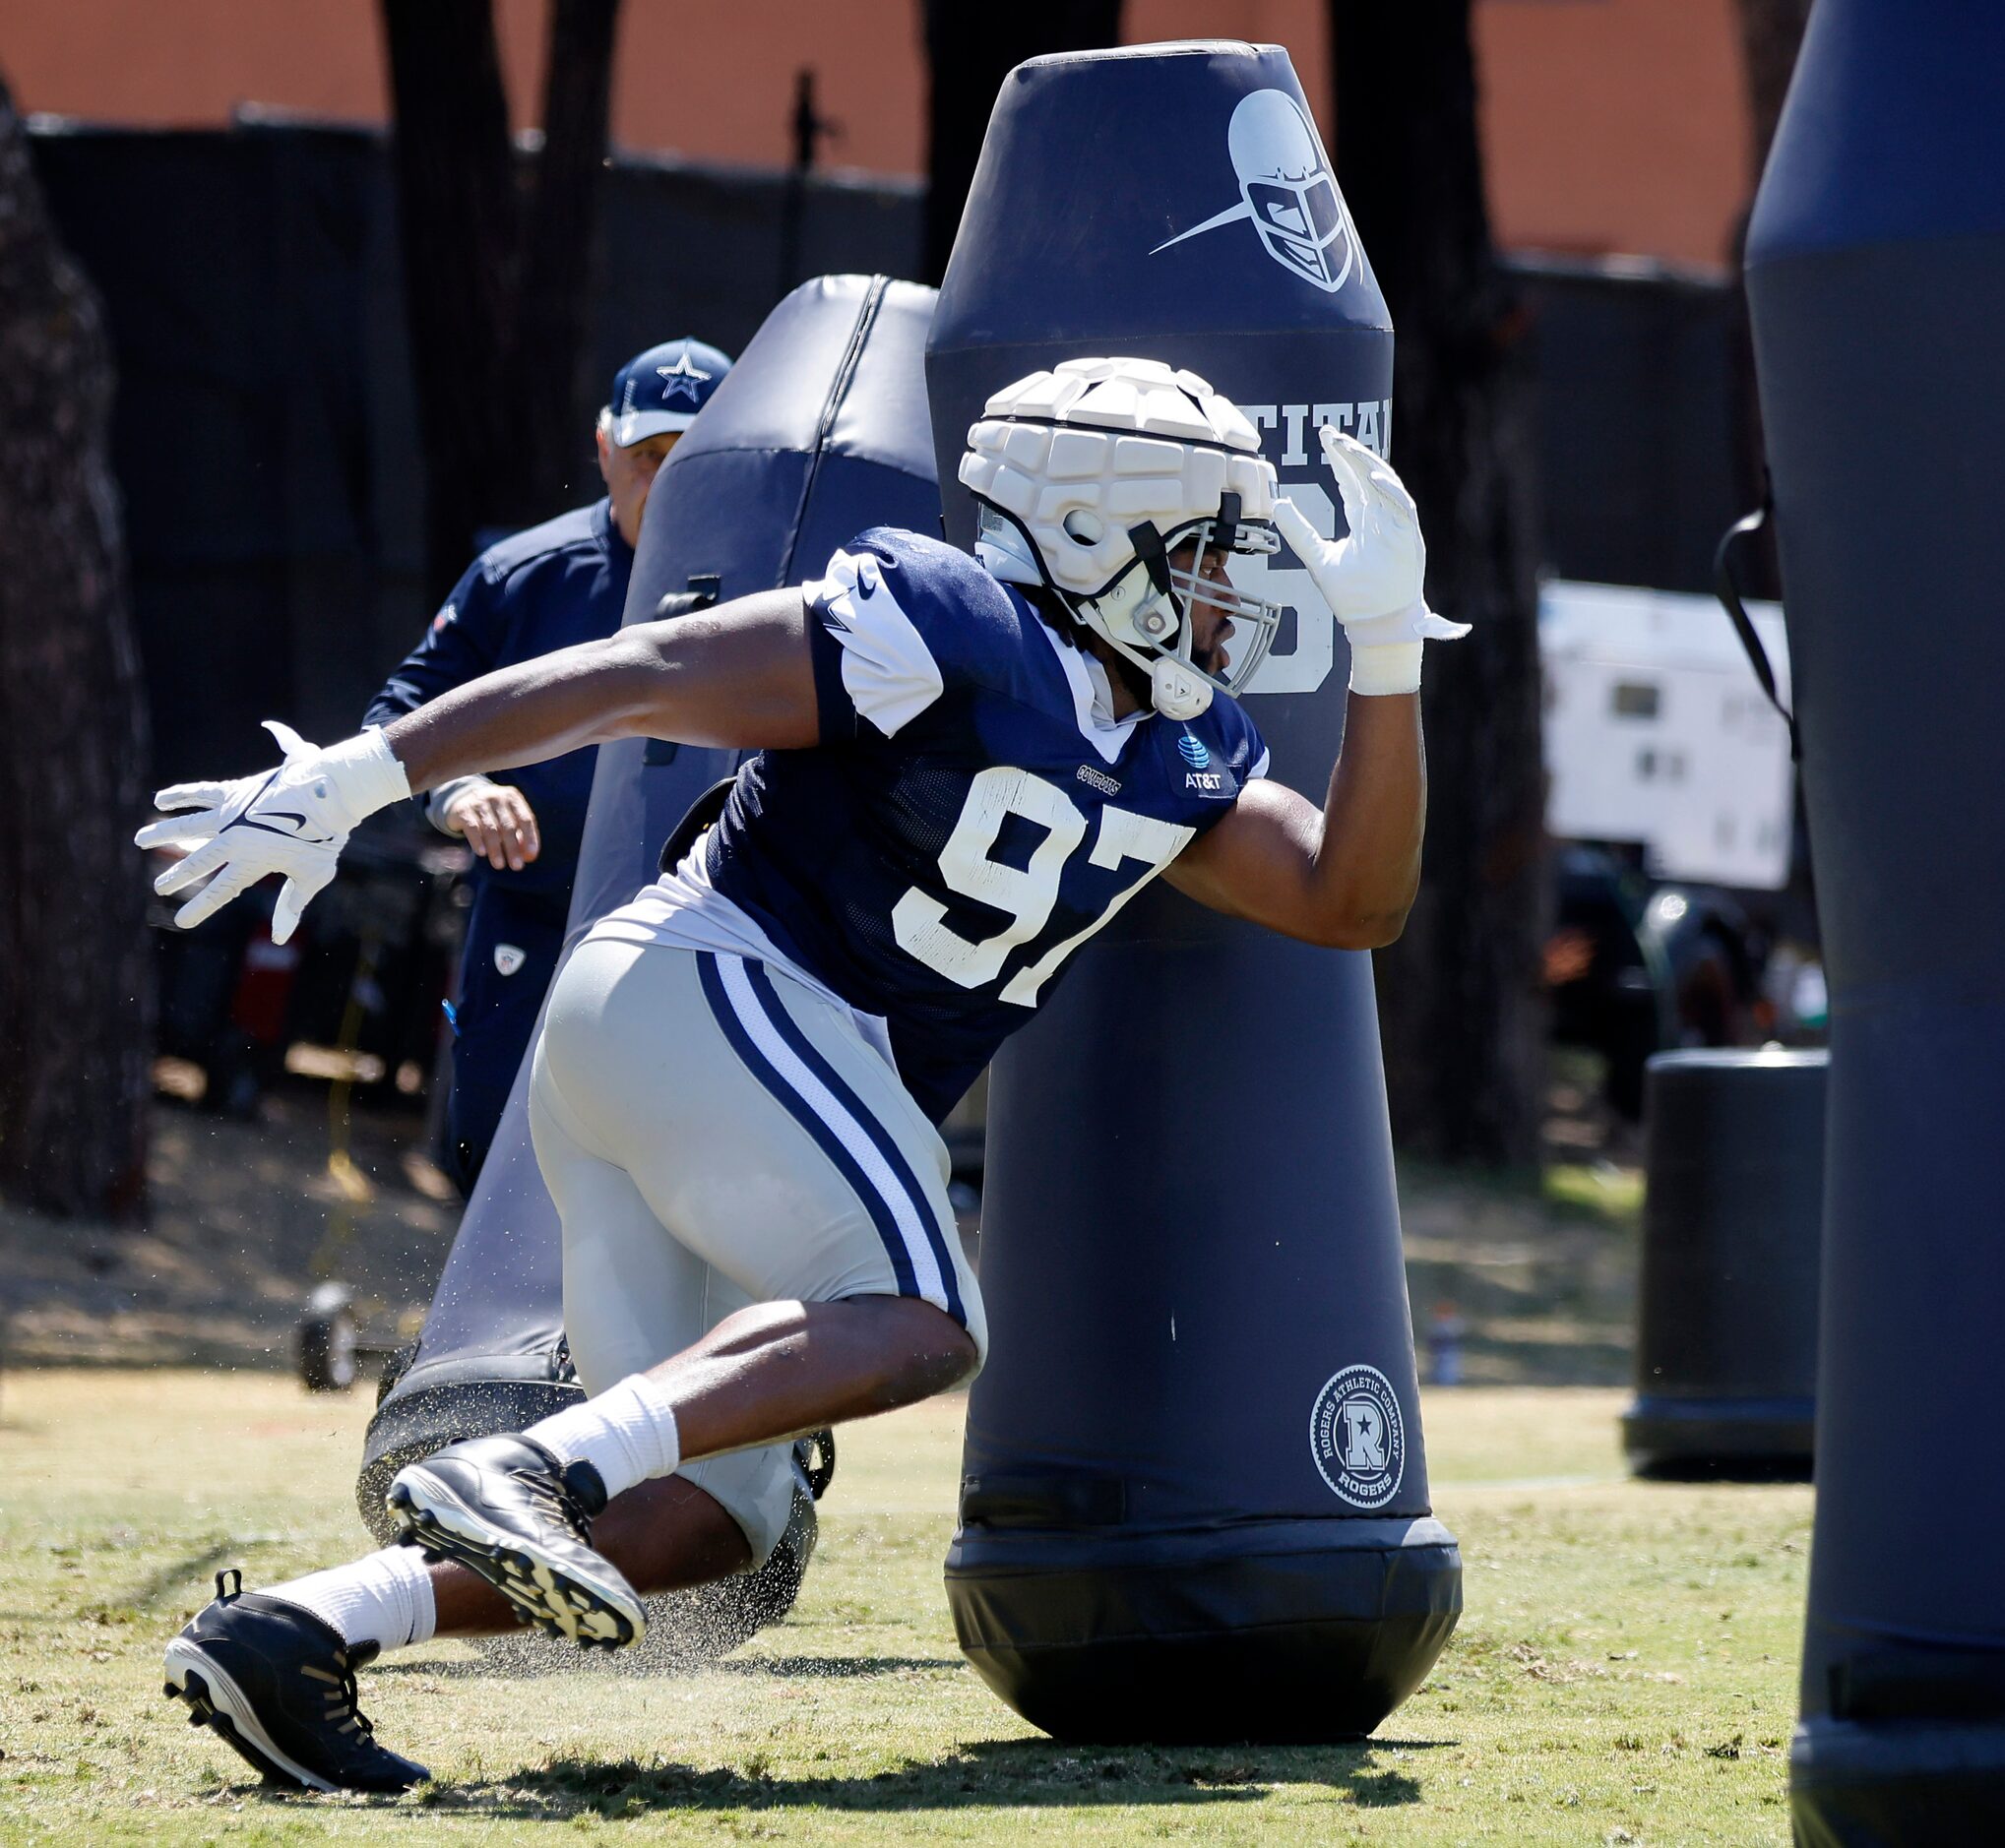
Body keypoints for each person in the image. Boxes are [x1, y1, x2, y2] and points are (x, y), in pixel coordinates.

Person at [141, 357, 1465, 1793]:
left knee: (714, 1518)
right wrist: (364, 775)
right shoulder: (949, 618)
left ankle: (304, 1630)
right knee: (914, 1312)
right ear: (1094, 530)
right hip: (714, 987)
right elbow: (643, 673)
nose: (1225, 589)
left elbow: (1352, 899)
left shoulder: (1178, 747)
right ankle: (527, 1465)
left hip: (709, 1076)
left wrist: (1386, 647)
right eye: (1205, 546)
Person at [371, 338, 732, 1186]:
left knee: (664, 1186)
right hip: (532, 914)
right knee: (493, 1155)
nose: (664, 479)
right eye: (647, 455)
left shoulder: (778, 590)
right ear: (604, 449)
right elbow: (398, 718)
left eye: (692, 458)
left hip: (698, 938)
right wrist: (461, 790)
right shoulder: (524, 575)